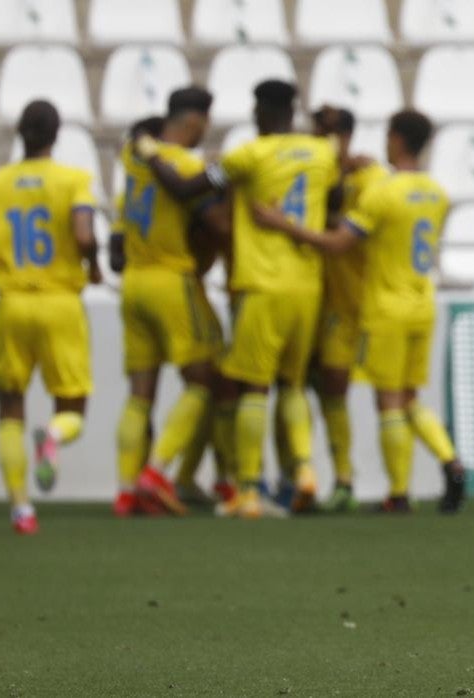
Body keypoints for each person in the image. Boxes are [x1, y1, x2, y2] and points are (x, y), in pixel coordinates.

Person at [136, 80, 341, 518]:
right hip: (308, 285)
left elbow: (189, 189)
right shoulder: (323, 154)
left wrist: (151, 153)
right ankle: (304, 470)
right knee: (292, 383)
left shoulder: (249, 155)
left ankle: (247, 490)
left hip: (261, 284)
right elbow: (335, 197)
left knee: (253, 388)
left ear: (262, 112)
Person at [253, 109, 467, 514]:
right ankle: (450, 462)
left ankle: (398, 495)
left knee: (388, 403)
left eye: (388, 135)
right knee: (408, 398)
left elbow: (339, 244)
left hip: (385, 307)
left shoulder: (380, 193)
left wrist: (286, 226)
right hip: (423, 303)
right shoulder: (438, 193)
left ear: (398, 140)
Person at [0, 99, 101, 535]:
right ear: (56, 135)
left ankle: (21, 509)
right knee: (72, 406)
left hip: (13, 306)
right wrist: (93, 265)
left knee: (9, 409)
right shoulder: (74, 180)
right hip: (61, 303)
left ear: (20, 134)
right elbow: (83, 235)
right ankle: (55, 436)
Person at [113, 87, 231, 517]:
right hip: (171, 280)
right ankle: (158, 474)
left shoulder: (133, 156)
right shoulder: (182, 163)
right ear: (195, 120)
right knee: (203, 380)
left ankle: (126, 490)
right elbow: (213, 218)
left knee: (139, 395)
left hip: (134, 284)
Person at [306, 105, 389, 512]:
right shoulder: (312, 176)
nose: (322, 141)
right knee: (332, 386)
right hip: (335, 304)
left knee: (392, 397)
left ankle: (399, 490)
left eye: (329, 133)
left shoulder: (371, 178)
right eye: (317, 132)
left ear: (347, 136)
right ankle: (342, 478)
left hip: (373, 303)